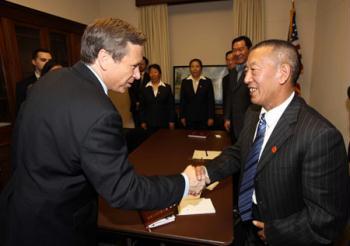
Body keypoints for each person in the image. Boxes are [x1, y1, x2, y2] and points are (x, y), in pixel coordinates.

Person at [0, 18, 204, 246]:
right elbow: (123, 191)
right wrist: (184, 182)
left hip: (17, 212)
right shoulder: (100, 112)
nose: (138, 75)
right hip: (56, 227)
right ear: (105, 58)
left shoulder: (52, 79)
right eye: (134, 66)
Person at [195, 39, 349, 245]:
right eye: (246, 70)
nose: (246, 78)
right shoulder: (253, 113)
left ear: (283, 73)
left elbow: (328, 218)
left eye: (253, 70)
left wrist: (276, 232)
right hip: (247, 222)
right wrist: (205, 173)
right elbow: (240, 152)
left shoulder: (320, 136)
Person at [224, 36, 252, 143]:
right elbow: (230, 96)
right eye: (235, 50)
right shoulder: (233, 72)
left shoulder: (255, 70)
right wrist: (227, 117)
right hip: (233, 125)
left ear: (249, 49)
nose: (237, 53)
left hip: (249, 124)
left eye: (241, 49)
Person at [179, 58, 215, 130]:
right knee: (189, 140)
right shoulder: (185, 82)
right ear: (190, 69)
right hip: (189, 118)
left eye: (197, 66)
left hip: (204, 118)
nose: (195, 69)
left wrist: (211, 117)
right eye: (192, 66)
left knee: (203, 140)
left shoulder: (207, 82)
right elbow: (182, 101)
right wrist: (182, 116)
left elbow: (211, 101)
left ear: (201, 68)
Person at [140, 64, 176, 132]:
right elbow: (142, 107)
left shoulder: (167, 87)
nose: (153, 74)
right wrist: (142, 121)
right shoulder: (144, 88)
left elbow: (171, 106)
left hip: (164, 122)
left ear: (159, 73)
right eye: (151, 72)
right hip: (149, 123)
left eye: (155, 72)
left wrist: (171, 121)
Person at [16, 48, 52, 113]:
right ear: (34, 62)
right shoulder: (23, 85)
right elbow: (21, 111)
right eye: (43, 60)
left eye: (49, 61)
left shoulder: (58, 80)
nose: (47, 63)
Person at [128, 56, 150, 128]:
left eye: (142, 64)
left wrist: (141, 102)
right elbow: (130, 91)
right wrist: (136, 102)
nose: (140, 65)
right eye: (139, 64)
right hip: (135, 107)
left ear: (146, 65)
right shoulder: (133, 76)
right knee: (137, 127)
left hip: (146, 108)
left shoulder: (149, 77)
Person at [222, 50, 236, 131]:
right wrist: (226, 118)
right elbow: (226, 100)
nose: (230, 62)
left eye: (232, 59)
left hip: (243, 119)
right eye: (228, 60)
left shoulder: (246, 76)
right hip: (228, 120)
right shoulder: (225, 79)